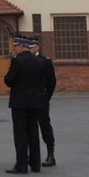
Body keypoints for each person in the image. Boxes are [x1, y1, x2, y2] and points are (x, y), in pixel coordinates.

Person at [4, 35, 45, 174]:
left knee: (20, 134)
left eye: (15, 46)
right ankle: (35, 163)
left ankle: (21, 165)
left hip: (20, 102)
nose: (14, 49)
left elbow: (9, 80)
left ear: (21, 46)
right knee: (33, 132)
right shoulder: (38, 61)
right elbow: (41, 81)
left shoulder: (18, 61)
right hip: (34, 102)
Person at [31, 38, 57, 167]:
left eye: (32, 47)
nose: (29, 49)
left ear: (37, 47)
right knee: (30, 128)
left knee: (45, 126)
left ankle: (50, 154)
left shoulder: (44, 61)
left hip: (41, 99)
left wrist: (46, 97)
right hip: (30, 100)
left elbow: (51, 81)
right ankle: (33, 156)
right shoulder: (25, 61)